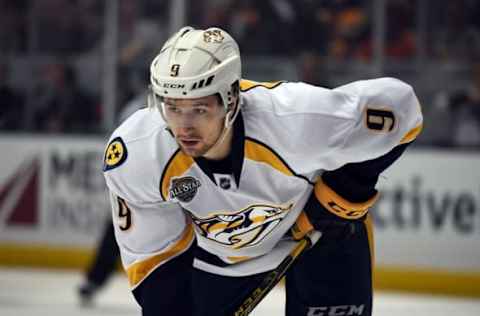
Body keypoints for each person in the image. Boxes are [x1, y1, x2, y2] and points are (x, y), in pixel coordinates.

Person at [103, 26, 423, 316]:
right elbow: (157, 261)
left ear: (231, 99)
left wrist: (343, 194)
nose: (184, 127)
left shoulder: (295, 119)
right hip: (223, 260)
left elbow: (401, 106)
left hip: (324, 234)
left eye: (199, 109)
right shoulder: (138, 153)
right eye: (172, 108)